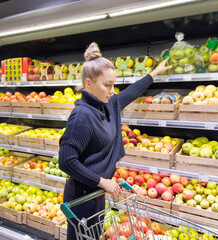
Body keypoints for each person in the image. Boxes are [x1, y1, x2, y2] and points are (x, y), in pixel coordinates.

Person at [59, 42, 172, 240]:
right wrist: (103, 181)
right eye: (107, 85)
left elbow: (131, 92)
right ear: (88, 84)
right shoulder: (82, 116)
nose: (112, 90)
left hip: (96, 192)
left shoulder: (109, 104)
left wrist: (154, 73)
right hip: (81, 197)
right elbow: (66, 161)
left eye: (114, 84)